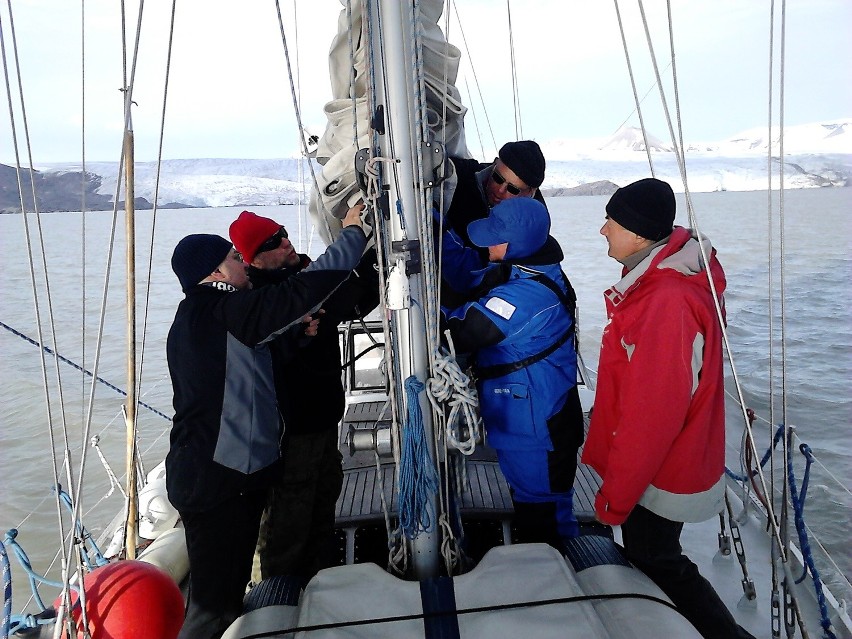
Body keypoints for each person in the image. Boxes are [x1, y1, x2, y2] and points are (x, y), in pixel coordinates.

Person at [166, 205, 367, 639]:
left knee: (223, 596)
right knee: (211, 607)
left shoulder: (198, 317)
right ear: (216, 271)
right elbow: (302, 291)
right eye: (235, 259)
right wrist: (352, 232)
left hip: (214, 475)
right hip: (219, 480)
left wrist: (295, 336)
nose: (242, 264)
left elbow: (237, 369)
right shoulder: (228, 311)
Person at [580, 178, 755, 639]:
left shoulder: (666, 300)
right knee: (651, 555)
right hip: (665, 462)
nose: (602, 231)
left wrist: (615, 499)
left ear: (637, 234)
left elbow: (652, 418)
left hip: (662, 469)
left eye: (610, 222)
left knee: (657, 559)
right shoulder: (658, 280)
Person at [228, 208, 379, 586]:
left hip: (324, 419)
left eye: (282, 232)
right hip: (291, 433)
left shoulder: (300, 278)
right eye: (272, 242)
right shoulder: (265, 299)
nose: (285, 241)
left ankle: (320, 580)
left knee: (324, 499)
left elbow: (350, 294)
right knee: (287, 520)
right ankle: (276, 597)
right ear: (253, 259)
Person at [440, 197, 584, 550]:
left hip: (538, 428)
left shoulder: (525, 298)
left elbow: (459, 332)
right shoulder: (533, 271)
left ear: (516, 245)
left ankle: (556, 584)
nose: (485, 243)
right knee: (537, 505)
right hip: (537, 416)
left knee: (544, 519)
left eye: (493, 237)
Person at [444, 140, 547, 253]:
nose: (500, 190)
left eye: (512, 189)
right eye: (498, 178)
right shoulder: (461, 176)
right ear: (494, 164)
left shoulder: (532, 225)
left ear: (530, 192)